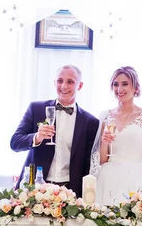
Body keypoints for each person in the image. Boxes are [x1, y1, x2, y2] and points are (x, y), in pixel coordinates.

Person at [10, 65, 99, 197]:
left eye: (70, 81)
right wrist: (37, 137)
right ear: (54, 83)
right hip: (35, 186)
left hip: (70, 191)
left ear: (80, 86)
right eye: (60, 81)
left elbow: (88, 165)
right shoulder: (36, 109)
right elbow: (15, 143)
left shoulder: (90, 122)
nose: (64, 86)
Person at [90, 66, 142, 205]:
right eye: (116, 84)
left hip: (136, 177)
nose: (119, 89)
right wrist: (104, 142)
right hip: (108, 177)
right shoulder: (105, 116)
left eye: (125, 84)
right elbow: (102, 160)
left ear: (136, 88)